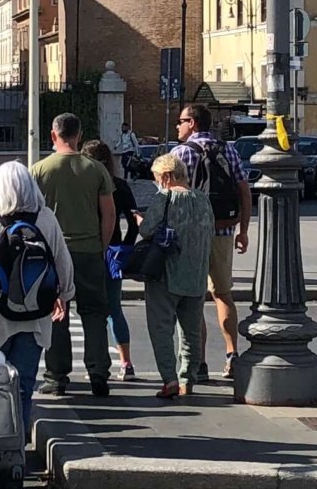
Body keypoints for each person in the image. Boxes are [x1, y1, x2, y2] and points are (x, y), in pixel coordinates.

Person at [0, 159, 73, 442]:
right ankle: (18, 442)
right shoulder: (46, 218)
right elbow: (62, 261)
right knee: (23, 384)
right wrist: (63, 295)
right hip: (35, 316)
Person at [33, 114, 117, 398]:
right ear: (79, 135)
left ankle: (56, 377)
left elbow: (32, 215)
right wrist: (101, 245)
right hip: (89, 251)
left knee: (57, 314)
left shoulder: (39, 170)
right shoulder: (95, 169)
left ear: (53, 134)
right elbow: (109, 214)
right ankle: (98, 372)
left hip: (53, 254)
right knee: (94, 312)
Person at [174, 103, 252, 375]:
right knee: (223, 295)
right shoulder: (228, 149)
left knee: (193, 299)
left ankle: (198, 362)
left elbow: (170, 197)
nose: (178, 126)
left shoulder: (180, 153)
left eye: (181, 121)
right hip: (223, 230)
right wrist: (243, 229)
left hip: (191, 235)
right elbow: (244, 190)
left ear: (192, 123)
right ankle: (232, 354)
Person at [134, 148, 213, 397]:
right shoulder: (202, 199)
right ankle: (187, 380)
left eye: (157, 178)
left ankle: (169, 379)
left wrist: (139, 221)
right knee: (191, 332)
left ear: (167, 176)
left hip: (166, 276)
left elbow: (147, 230)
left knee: (161, 328)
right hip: (197, 274)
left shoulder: (164, 199)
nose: (156, 182)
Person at [84, 137, 140, 381]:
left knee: (90, 310)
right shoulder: (119, 185)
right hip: (114, 251)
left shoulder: (85, 187)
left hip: (88, 250)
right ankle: (125, 363)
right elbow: (134, 219)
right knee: (114, 309)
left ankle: (96, 364)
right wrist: (125, 247)